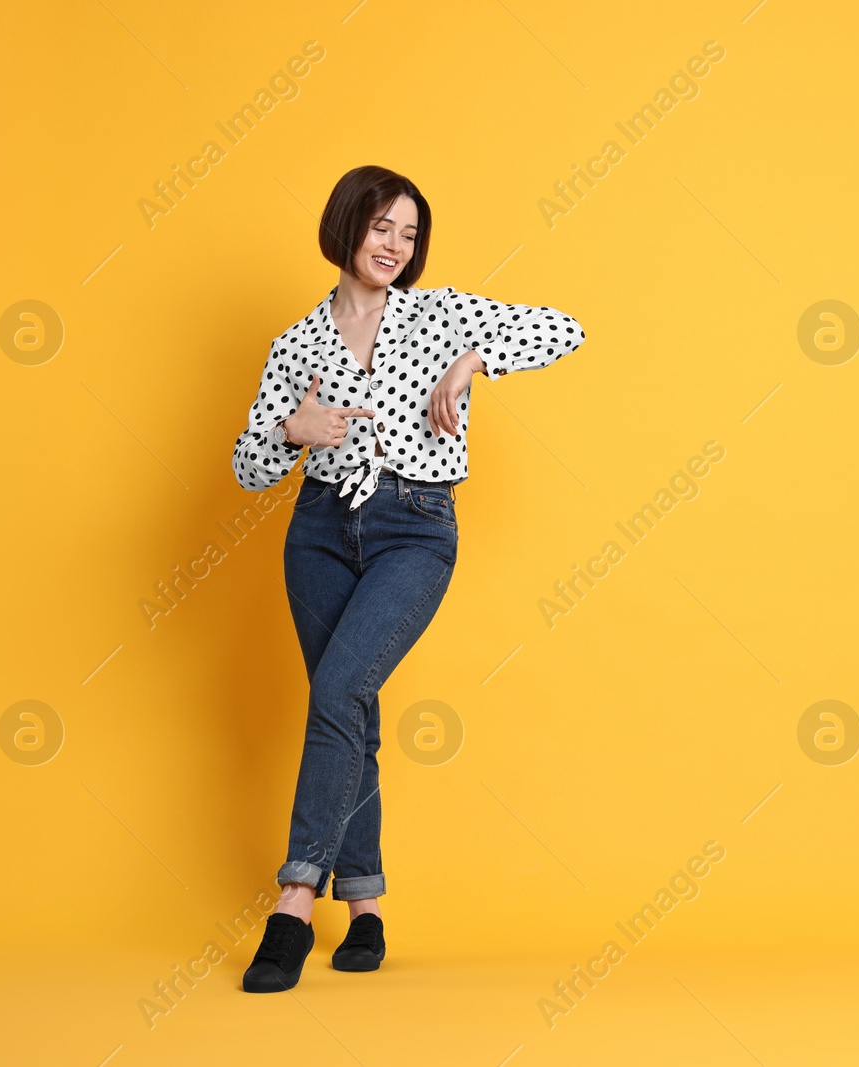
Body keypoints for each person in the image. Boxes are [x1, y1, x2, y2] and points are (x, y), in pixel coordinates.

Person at [230, 165, 585, 992]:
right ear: (346, 225)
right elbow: (248, 467)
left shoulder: (436, 313)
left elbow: (565, 327)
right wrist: (293, 428)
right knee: (348, 708)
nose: (394, 245)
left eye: (409, 233)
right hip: (317, 531)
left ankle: (292, 899)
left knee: (338, 690)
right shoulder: (297, 343)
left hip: (413, 527)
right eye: (381, 226)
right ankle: (366, 908)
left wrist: (472, 360)